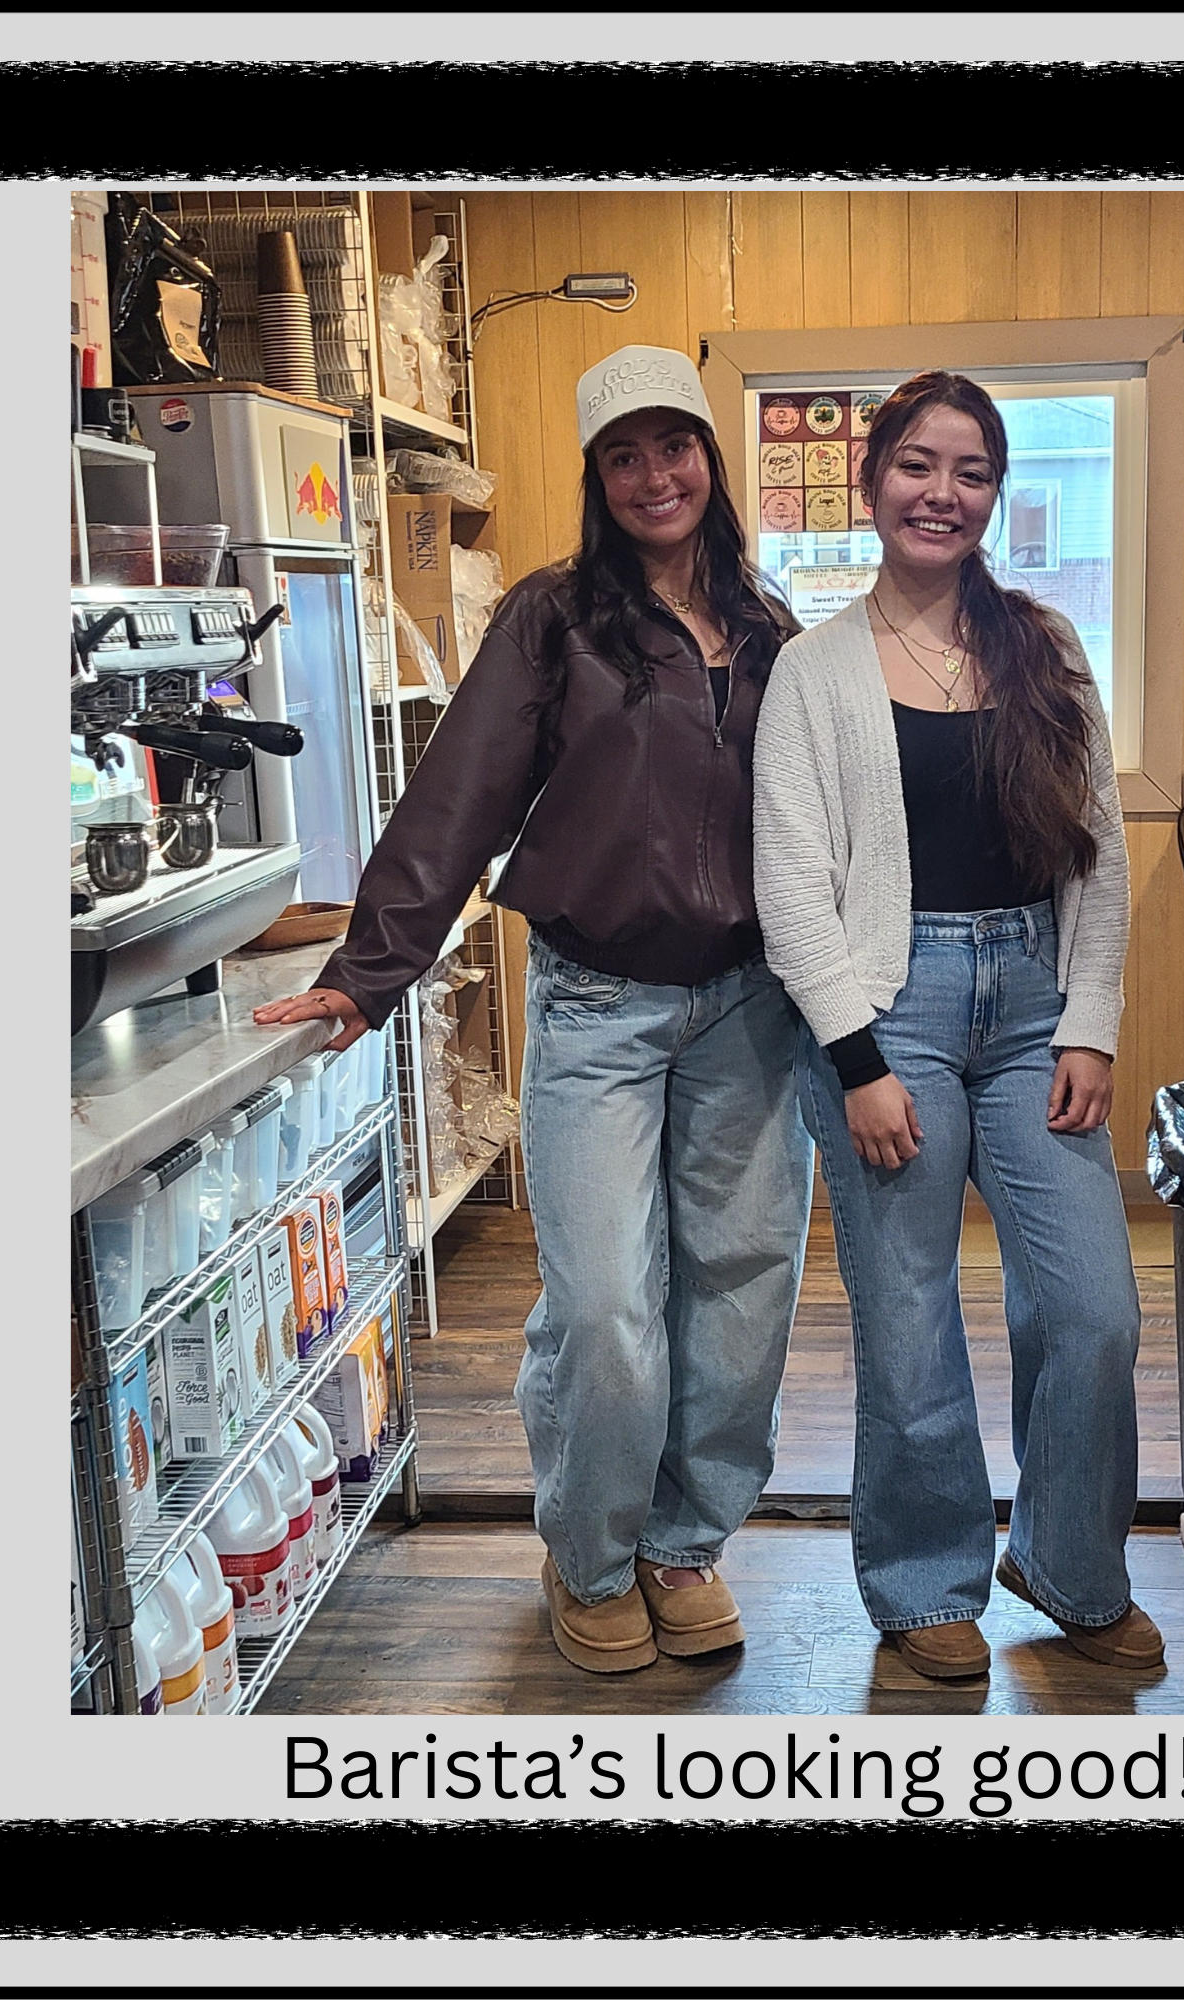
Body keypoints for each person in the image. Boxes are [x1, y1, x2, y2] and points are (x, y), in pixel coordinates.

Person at [254, 346, 812, 1674]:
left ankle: (685, 1546)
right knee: (608, 1309)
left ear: (710, 460)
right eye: (623, 455)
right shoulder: (552, 620)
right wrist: (368, 970)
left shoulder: (776, 628)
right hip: (598, 1009)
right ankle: (593, 1551)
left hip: (750, 1012)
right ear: (595, 477)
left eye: (673, 446)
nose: (652, 474)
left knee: (742, 1301)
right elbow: (460, 795)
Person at [752, 370, 1160, 1681]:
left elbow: (1097, 854)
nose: (943, 493)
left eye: (971, 471)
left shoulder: (1046, 646)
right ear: (873, 484)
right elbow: (790, 884)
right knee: (909, 1317)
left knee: (1095, 1309)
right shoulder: (814, 670)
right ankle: (926, 1585)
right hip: (889, 1011)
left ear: (996, 493)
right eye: (919, 466)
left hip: (1036, 1002)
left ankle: (1070, 1561)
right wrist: (857, 1060)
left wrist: (1089, 1022)